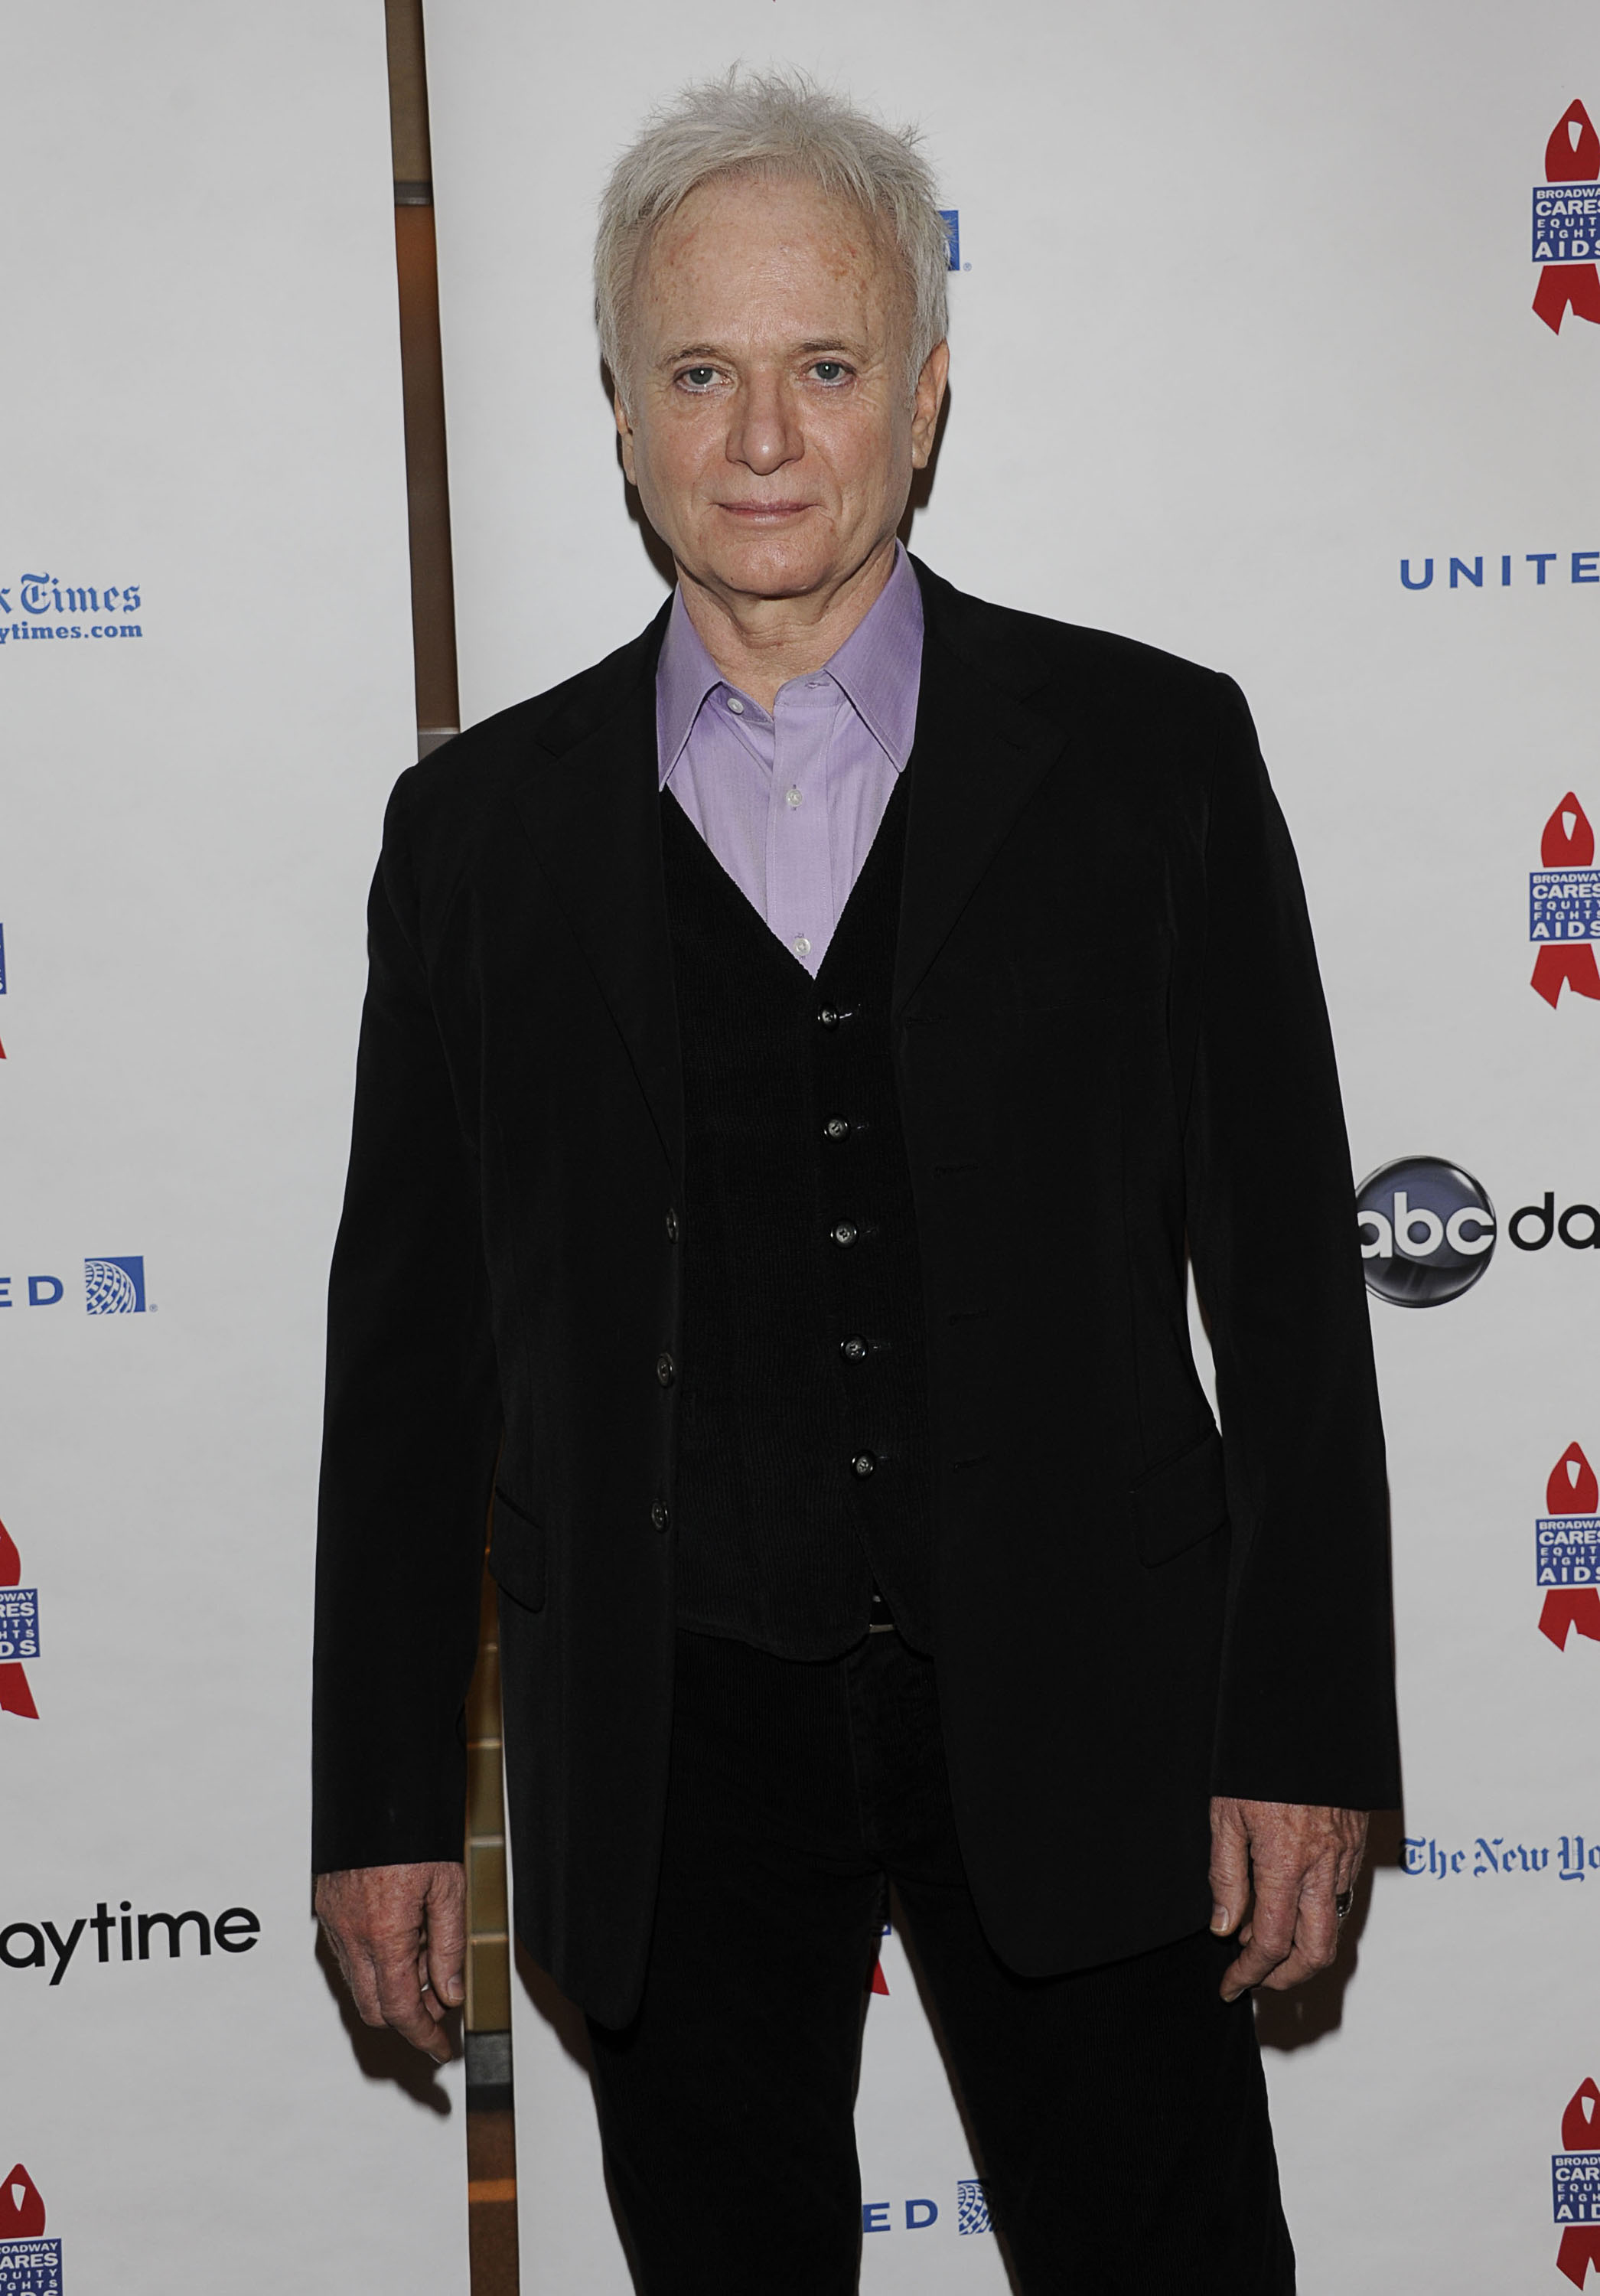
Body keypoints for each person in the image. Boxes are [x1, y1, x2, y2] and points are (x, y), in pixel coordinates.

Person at [312, 66, 1400, 2294]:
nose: (762, 437)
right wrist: (384, 1806)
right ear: (618, 410)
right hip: (667, 1736)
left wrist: (1299, 1731)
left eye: (823, 368)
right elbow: (411, 1365)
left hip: (1096, 1707)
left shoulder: (1148, 761)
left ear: (920, 398)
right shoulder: (478, 838)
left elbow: (1289, 1294)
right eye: (697, 372)